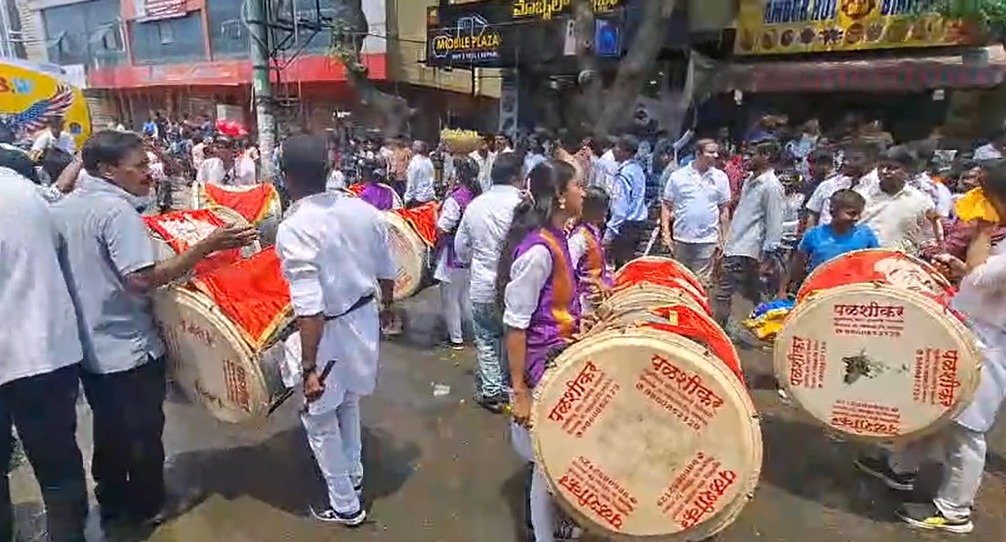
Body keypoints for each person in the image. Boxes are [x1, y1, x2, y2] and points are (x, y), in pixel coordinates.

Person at [51, 130, 257, 525]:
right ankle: (148, 506)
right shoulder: (116, 212)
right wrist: (206, 246)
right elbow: (142, 278)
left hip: (89, 344)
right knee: (144, 432)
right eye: (140, 165)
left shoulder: (67, 205)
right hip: (128, 347)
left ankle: (111, 498)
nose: (150, 172)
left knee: (109, 428)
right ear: (108, 170)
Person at [852, 160, 1006, 534]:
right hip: (969, 330)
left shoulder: (993, 233)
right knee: (928, 402)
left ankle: (954, 510)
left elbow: (981, 276)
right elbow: (980, 278)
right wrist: (959, 264)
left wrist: (982, 230)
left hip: (990, 345)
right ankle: (901, 468)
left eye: (986, 195)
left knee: (965, 429)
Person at [274, 135, 395, 527]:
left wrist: (308, 368)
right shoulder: (363, 210)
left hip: (326, 333)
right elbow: (387, 270)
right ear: (327, 171)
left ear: (286, 178)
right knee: (349, 401)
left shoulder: (294, 227)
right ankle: (354, 477)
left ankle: (345, 505)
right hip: (362, 319)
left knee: (320, 419)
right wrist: (387, 307)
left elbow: (309, 308)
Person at [0, 164, 88, 542]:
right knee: (58, 468)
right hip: (44, 353)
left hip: (28, 352)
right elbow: (55, 197)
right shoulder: (25, 193)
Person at [500, 159, 584, 542]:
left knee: (555, 457)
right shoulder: (538, 250)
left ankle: (552, 526)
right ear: (561, 197)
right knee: (545, 463)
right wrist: (520, 390)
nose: (583, 193)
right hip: (541, 364)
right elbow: (516, 325)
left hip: (558, 354)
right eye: (577, 186)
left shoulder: (558, 237)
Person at [455, 152, 524, 413]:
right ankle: (512, 385)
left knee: (486, 338)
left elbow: (461, 247)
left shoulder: (476, 206)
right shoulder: (524, 205)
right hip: (517, 286)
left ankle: (492, 390)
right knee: (514, 336)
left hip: (483, 286)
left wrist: (476, 260)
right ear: (517, 176)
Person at [713, 140, 785, 329]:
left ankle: (719, 332)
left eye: (752, 154)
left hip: (749, 249)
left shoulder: (771, 186)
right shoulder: (750, 181)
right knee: (746, 294)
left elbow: (774, 221)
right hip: (737, 245)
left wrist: (768, 255)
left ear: (766, 156)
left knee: (725, 293)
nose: (745, 158)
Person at [778, 189, 879, 296]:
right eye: (851, 213)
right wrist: (783, 290)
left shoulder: (865, 234)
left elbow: (878, 261)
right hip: (819, 293)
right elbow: (797, 264)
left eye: (859, 214)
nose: (857, 218)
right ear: (832, 211)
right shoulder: (814, 235)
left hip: (854, 294)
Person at [660, 139, 731, 283]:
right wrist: (666, 233)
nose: (716, 155)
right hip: (681, 238)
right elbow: (666, 205)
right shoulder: (678, 176)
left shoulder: (720, 178)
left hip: (708, 240)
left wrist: (725, 239)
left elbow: (724, 209)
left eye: (716, 152)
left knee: (701, 283)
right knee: (680, 280)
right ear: (698, 153)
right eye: (711, 152)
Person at [858, 146, 943, 255]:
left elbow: (930, 237)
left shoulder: (921, 202)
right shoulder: (862, 196)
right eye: (881, 167)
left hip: (899, 261)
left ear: (906, 170)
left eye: (891, 168)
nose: (884, 171)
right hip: (863, 259)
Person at [435, 157, 481, 349]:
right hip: (471, 253)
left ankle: (456, 338)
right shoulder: (477, 196)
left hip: (453, 254)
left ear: (458, 175)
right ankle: (475, 334)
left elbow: (443, 227)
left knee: (450, 297)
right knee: (465, 297)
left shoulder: (456, 199)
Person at [804, 143, 878, 229]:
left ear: (871, 161)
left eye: (856, 159)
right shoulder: (829, 184)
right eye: (845, 158)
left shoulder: (877, 187)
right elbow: (812, 215)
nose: (847, 162)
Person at [604, 135, 648, 267]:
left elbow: (620, 210)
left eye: (617, 147)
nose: (614, 150)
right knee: (630, 263)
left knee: (620, 268)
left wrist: (609, 233)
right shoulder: (638, 170)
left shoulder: (624, 174)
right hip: (638, 223)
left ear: (626, 152)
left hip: (625, 226)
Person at [569, 185, 613, 311]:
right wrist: (593, 282)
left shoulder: (595, 233)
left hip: (595, 299)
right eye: (603, 208)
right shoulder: (579, 238)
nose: (605, 212)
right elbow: (567, 271)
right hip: (583, 301)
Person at [404, 140, 436, 207]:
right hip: (430, 196)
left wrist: (407, 198)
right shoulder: (428, 161)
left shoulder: (414, 163)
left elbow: (411, 182)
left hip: (418, 199)